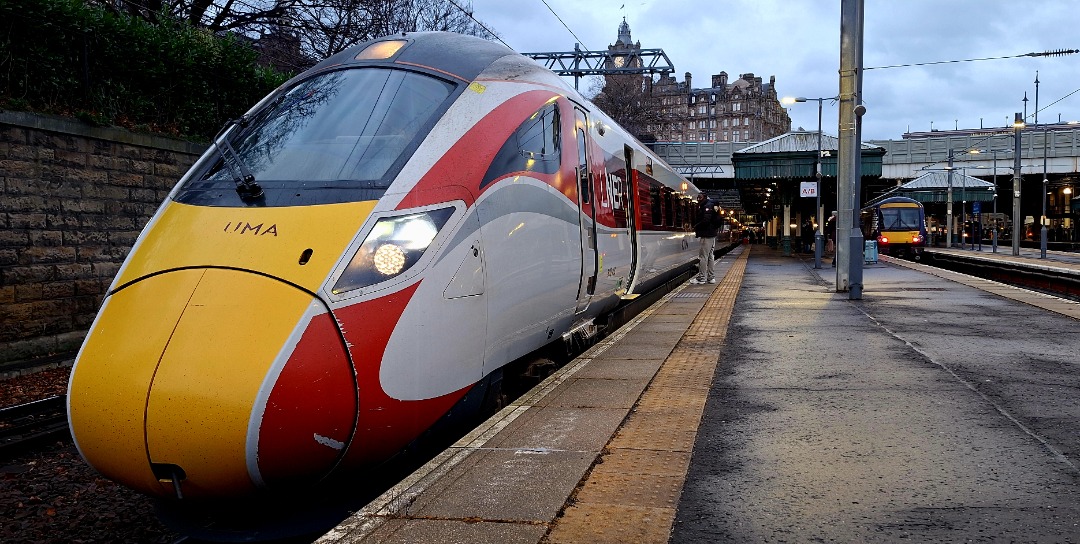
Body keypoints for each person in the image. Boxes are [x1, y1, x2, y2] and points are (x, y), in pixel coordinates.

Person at [691, 193, 721, 284]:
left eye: (699, 197)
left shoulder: (706, 206)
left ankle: (702, 278)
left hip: (707, 234)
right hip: (712, 234)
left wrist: (695, 227)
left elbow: (706, 220)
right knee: (710, 256)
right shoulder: (711, 205)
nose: (698, 199)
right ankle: (711, 278)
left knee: (703, 257)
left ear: (704, 197)